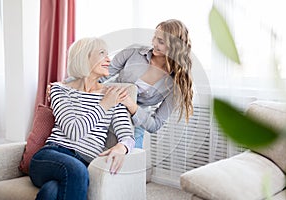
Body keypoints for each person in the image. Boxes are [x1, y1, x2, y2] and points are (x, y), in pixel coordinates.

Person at [29, 37, 135, 200]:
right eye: (102, 54)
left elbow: (126, 135)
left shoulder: (113, 94)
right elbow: (74, 132)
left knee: (51, 192)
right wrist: (104, 105)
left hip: (85, 163)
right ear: (84, 57)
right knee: (76, 171)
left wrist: (122, 147)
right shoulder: (60, 90)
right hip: (50, 156)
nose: (109, 59)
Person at [100, 19, 193, 148]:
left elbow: (155, 125)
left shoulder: (176, 84)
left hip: (134, 126)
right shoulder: (134, 52)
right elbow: (100, 76)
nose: (154, 43)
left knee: (129, 163)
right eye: (155, 37)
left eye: (161, 42)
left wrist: (131, 105)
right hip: (104, 111)